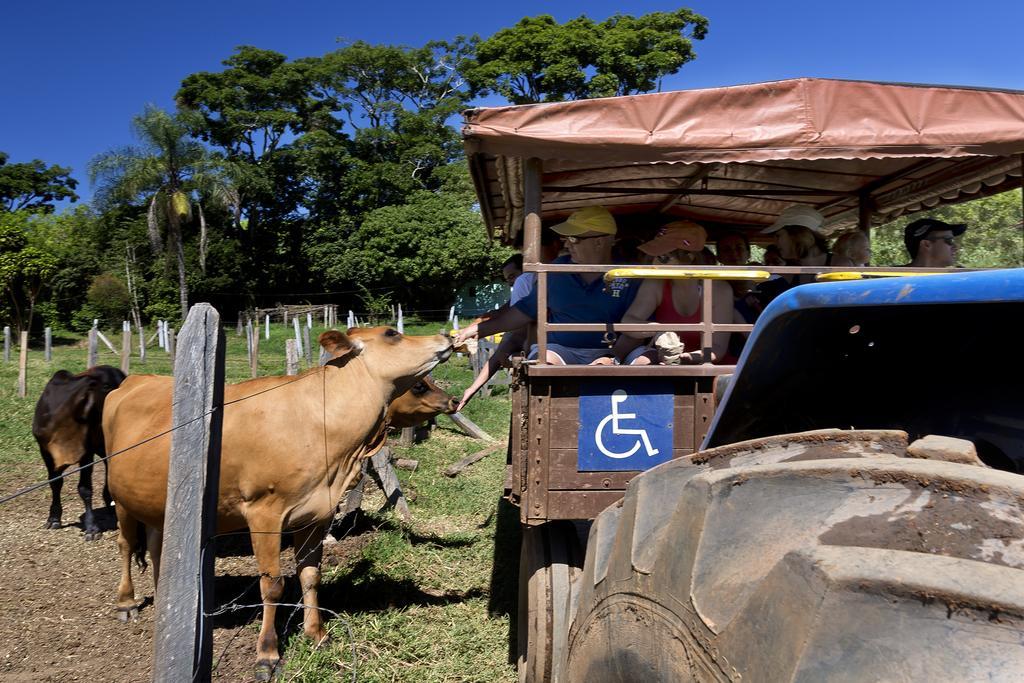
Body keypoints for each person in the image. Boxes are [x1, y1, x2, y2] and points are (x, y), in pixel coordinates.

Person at [454, 205, 639, 368]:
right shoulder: (556, 271)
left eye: (573, 238)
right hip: (562, 351)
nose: (566, 243)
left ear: (599, 241)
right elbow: (523, 312)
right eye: (565, 238)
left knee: (646, 358)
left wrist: (612, 357)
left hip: (615, 352)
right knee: (546, 358)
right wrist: (478, 330)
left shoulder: (630, 275)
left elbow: (640, 324)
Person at [610, 221, 734, 365]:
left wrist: (683, 358)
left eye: (663, 258)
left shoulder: (720, 290)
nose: (654, 264)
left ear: (690, 257)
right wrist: (658, 330)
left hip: (708, 367)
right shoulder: (656, 282)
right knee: (644, 362)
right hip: (664, 360)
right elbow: (629, 320)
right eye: (653, 256)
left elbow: (717, 349)